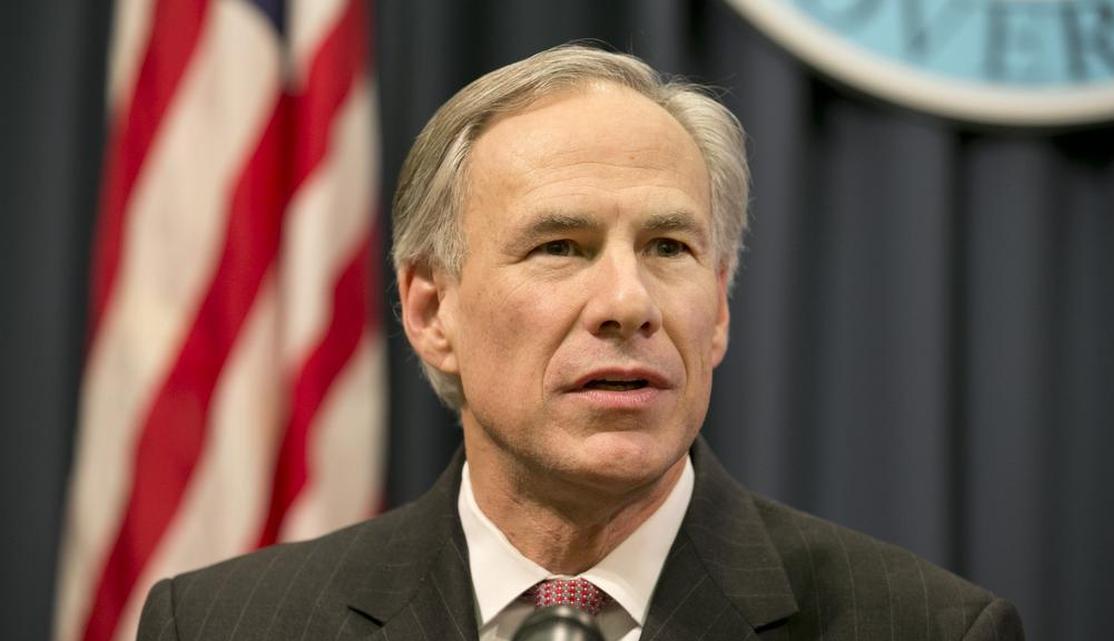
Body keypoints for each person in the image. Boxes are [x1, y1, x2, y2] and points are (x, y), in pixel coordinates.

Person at [136, 44, 1024, 641]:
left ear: (717, 310)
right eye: (560, 246)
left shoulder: (928, 628)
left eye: (669, 248)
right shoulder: (225, 622)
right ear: (430, 310)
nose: (628, 302)